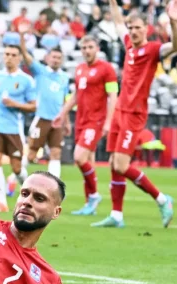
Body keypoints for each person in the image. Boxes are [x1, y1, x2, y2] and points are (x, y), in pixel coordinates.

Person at [90, 0, 177, 229]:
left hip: (134, 114)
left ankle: (161, 198)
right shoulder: (129, 45)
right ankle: (116, 215)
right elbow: (118, 21)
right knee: (113, 162)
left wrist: (173, 22)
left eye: (137, 27)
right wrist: (112, 3)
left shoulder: (152, 50)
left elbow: (175, 48)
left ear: (146, 29)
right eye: (131, 28)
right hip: (120, 110)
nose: (133, 31)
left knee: (121, 164)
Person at [53, 35, 118, 215]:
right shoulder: (80, 69)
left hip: (95, 120)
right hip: (81, 120)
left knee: (79, 157)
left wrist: (108, 122)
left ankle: (95, 195)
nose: (87, 51)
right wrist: (62, 113)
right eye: (84, 48)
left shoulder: (107, 69)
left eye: (90, 47)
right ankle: (90, 204)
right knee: (88, 161)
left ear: (97, 48)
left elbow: (113, 96)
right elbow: (75, 95)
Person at [0, 45, 36, 213]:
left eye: (13, 55)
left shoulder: (26, 80)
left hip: (14, 129)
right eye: (6, 54)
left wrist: (14, 104)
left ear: (19, 58)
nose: (9, 57)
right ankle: (1, 202)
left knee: (16, 167)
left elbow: (33, 106)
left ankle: (31, 191)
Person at [17, 22, 69, 179]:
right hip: (42, 117)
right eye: (53, 57)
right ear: (47, 58)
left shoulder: (64, 77)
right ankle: (15, 178)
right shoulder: (40, 71)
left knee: (56, 152)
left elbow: (65, 100)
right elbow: (25, 56)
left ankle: (54, 187)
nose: (56, 60)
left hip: (57, 120)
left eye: (59, 58)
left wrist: (66, 121)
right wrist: (21, 37)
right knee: (32, 153)